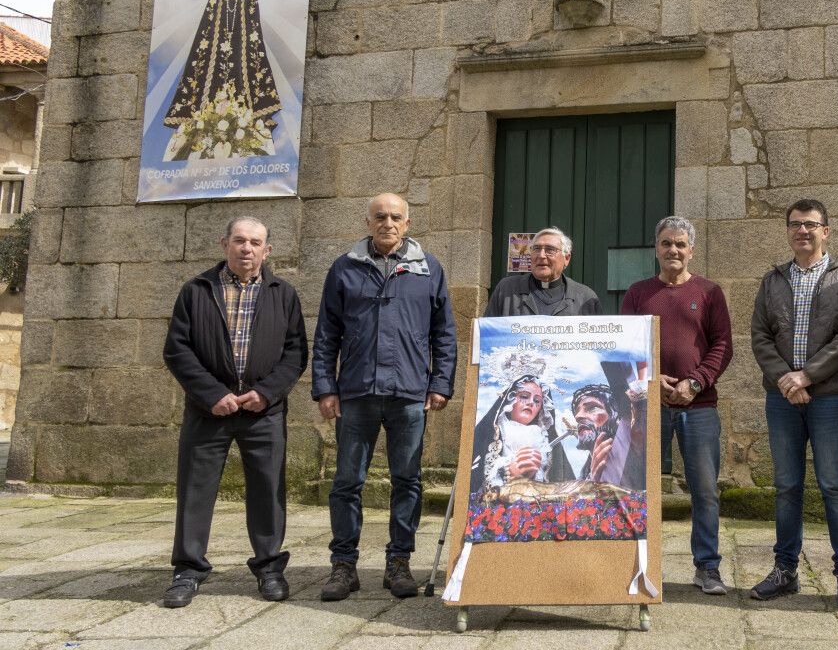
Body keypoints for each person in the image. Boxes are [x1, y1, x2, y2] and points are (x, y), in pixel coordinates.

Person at [312, 193, 457, 601]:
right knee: (346, 482)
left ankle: (399, 563)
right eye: (380, 217)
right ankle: (343, 566)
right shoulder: (344, 268)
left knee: (407, 480)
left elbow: (444, 334)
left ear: (407, 223)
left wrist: (441, 384)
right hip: (356, 392)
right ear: (368, 221)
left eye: (395, 217)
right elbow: (326, 334)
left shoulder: (428, 270)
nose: (387, 223)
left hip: (409, 393)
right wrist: (325, 386)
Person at [161, 217, 307, 608]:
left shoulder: (283, 293)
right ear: (224, 243)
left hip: (263, 412)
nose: (247, 249)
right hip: (209, 411)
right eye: (239, 241)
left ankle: (269, 568)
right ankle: (188, 571)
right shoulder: (196, 291)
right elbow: (177, 349)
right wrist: (212, 394)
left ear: (267, 250)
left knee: (267, 490)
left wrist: (266, 392)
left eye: (255, 242)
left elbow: (295, 353)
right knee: (195, 490)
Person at [749, 199, 838, 606]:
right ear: (788, 231)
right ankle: (785, 571)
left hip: (829, 398)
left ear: (825, 231)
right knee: (787, 486)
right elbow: (760, 336)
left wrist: (807, 375)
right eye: (795, 225)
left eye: (811, 224)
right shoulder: (773, 279)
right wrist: (786, 378)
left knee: (834, 484)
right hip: (782, 397)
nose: (803, 231)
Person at [621, 216, 733, 594]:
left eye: (681, 244)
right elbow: (626, 346)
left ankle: (707, 568)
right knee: (639, 487)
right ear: (657, 248)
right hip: (647, 405)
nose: (673, 250)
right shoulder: (638, 293)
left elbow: (722, 345)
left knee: (704, 491)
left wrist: (695, 381)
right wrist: (652, 379)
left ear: (691, 250)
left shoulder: (709, 292)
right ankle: (639, 565)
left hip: (699, 407)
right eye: (667, 243)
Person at [162, 0, 281, 161]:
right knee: (210, 71)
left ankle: (245, 115)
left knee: (242, 69)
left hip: (240, 41)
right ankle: (203, 114)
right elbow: (210, 16)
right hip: (217, 43)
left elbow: (252, 16)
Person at [470, 373, 573, 494]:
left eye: (537, 400)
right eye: (524, 396)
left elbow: (562, 484)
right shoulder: (492, 432)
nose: (531, 403)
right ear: (510, 399)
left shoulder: (546, 441)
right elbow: (474, 479)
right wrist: (509, 472)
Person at [484, 227, 601, 317]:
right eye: (536, 249)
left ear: (566, 258)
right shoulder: (506, 290)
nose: (541, 255)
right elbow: (488, 336)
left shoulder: (585, 297)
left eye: (550, 250)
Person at [571, 368, 648, 491]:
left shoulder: (635, 452)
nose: (577, 416)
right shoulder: (585, 471)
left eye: (591, 408)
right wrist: (593, 480)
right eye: (577, 411)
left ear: (616, 415)